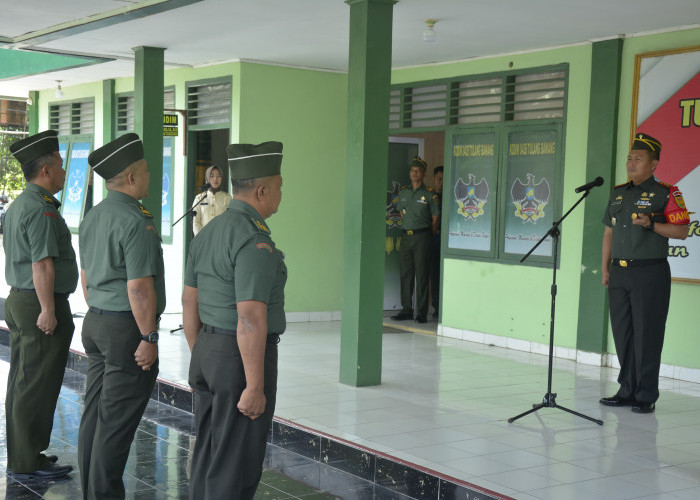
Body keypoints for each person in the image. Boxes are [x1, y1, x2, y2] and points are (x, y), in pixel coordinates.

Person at [183, 141, 286, 500]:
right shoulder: (254, 240)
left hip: (210, 349)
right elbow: (251, 317)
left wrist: (202, 356)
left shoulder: (208, 231)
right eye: (279, 187)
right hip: (240, 358)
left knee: (210, 453)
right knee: (236, 462)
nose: (280, 195)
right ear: (262, 190)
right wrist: (254, 386)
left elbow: (189, 301)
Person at [78, 133, 165, 499]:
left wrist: (99, 309)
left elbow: (85, 275)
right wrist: (149, 337)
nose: (149, 175)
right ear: (131, 177)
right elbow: (139, 288)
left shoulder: (94, 215)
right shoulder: (135, 220)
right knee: (115, 425)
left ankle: (92, 492)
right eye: (145, 170)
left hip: (95, 321)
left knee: (95, 416)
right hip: (125, 330)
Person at [3, 130, 77, 480]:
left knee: (24, 380)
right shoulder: (41, 208)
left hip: (22, 300)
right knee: (35, 383)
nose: (64, 172)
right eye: (60, 165)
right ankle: (26, 460)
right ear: (46, 170)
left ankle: (23, 454)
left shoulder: (20, 204)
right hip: (38, 303)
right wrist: (48, 309)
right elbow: (42, 264)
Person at [600, 133, 690, 414]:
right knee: (623, 333)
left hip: (650, 273)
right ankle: (626, 389)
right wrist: (605, 268)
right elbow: (608, 233)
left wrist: (652, 225)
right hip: (619, 273)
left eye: (638, 158)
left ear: (653, 164)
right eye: (629, 157)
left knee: (647, 334)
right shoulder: (617, 192)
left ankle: (646, 394)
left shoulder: (667, 192)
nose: (631, 162)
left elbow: (682, 231)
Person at [391, 156, 440, 324]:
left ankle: (421, 312)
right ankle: (406, 309)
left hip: (422, 237)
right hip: (406, 237)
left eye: (418, 171)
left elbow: (435, 217)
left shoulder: (429, 194)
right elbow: (401, 213)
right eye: (412, 170)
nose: (414, 173)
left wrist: (428, 234)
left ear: (423, 173)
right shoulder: (404, 192)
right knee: (406, 274)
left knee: (422, 274)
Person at [192, 165, 232, 235]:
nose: (215, 179)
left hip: (221, 239)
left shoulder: (227, 198)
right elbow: (196, 221)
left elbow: (230, 222)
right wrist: (201, 239)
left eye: (218, 176)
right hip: (203, 240)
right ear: (207, 178)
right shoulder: (199, 198)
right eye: (212, 176)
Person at [430, 165, 444, 319]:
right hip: (433, 240)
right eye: (439, 179)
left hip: (447, 242)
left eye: (444, 180)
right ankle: (436, 307)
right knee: (434, 275)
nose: (441, 183)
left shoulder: (451, 197)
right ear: (434, 179)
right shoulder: (428, 197)